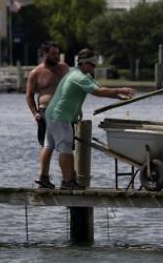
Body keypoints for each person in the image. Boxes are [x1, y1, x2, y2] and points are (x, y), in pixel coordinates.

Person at [44, 48, 135, 190]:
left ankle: (46, 178)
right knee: (65, 148)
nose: (95, 67)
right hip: (61, 116)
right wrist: (120, 89)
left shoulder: (77, 73)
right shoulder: (79, 77)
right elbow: (97, 91)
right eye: (92, 64)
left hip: (53, 114)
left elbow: (99, 88)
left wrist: (117, 96)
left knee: (49, 145)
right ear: (84, 63)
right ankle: (67, 182)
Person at [26, 41, 69, 189]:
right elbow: (29, 96)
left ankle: (68, 178)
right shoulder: (36, 73)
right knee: (47, 145)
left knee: (65, 145)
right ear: (44, 54)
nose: (56, 57)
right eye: (53, 54)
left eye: (57, 54)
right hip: (45, 112)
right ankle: (46, 177)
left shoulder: (64, 68)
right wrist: (35, 113)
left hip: (64, 112)